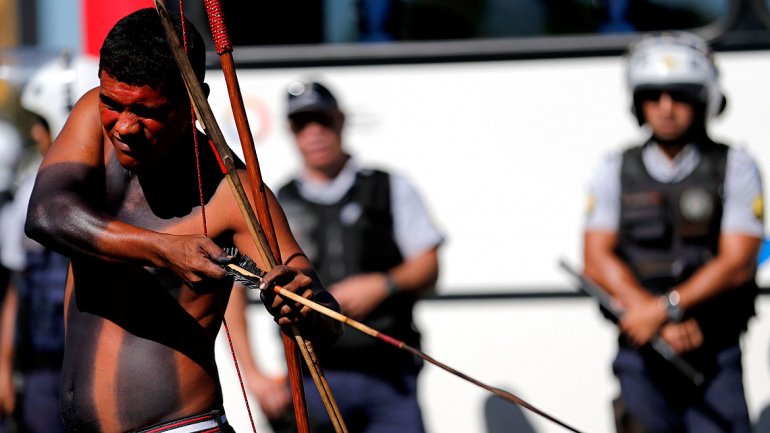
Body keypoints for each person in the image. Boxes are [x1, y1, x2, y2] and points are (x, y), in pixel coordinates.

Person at [23, 8, 340, 433]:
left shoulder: (235, 192)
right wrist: (166, 249)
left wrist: (300, 302)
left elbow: (318, 307)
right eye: (113, 104)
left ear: (195, 102)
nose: (126, 126)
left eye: (148, 111)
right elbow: (47, 215)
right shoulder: (94, 120)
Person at [583, 32, 764, 433]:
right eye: (653, 96)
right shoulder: (614, 167)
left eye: (679, 95)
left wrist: (663, 308)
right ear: (637, 102)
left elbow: (738, 262)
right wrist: (648, 314)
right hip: (641, 353)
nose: (666, 108)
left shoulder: (735, 165)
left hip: (714, 351)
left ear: (702, 100)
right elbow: (596, 258)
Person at [239, 80, 443, 433]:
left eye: (323, 120)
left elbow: (429, 263)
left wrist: (383, 284)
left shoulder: (388, 185)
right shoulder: (275, 202)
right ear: (291, 132)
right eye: (303, 124)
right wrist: (253, 376)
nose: (314, 133)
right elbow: (232, 291)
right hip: (312, 380)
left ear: (341, 121)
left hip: (389, 378)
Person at [0, 114, 68, 433]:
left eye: (44, 123)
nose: (36, 133)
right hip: (43, 362)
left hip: (85, 362)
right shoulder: (28, 196)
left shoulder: (103, 189)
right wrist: (4, 367)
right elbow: (17, 291)